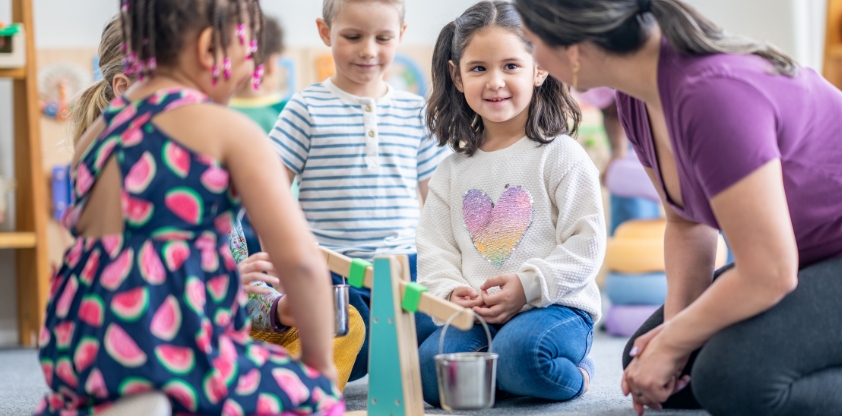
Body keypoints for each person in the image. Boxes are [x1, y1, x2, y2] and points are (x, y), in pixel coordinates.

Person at [514, 0, 842, 414]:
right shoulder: (637, 96)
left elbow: (769, 272)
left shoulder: (712, 93)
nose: (534, 59)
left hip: (797, 263)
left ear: (573, 49)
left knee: (730, 379)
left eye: (533, 42)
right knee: (646, 361)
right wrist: (674, 337)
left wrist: (673, 341)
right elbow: (688, 224)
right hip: (800, 260)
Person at [37, 1, 343, 414]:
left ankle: (134, 401)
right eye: (249, 49)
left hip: (82, 354)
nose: (251, 67)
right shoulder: (229, 131)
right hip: (170, 349)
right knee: (309, 396)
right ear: (208, 48)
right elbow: (301, 262)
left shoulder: (96, 137)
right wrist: (320, 369)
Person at [416, 1, 604, 406]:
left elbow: (586, 243)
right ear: (457, 76)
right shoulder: (450, 170)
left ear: (539, 69)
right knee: (430, 372)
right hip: (477, 316)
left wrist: (528, 286)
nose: (495, 82)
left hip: (556, 307)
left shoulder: (562, 155)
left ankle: (581, 373)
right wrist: (450, 292)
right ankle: (506, 376)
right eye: (478, 68)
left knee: (523, 355)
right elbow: (434, 247)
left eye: (511, 66)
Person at [269, 0, 449, 382]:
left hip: (405, 269)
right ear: (325, 32)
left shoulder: (417, 112)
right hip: (333, 272)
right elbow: (270, 191)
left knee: (438, 339)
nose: (368, 50)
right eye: (353, 37)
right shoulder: (305, 108)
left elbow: (438, 202)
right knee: (350, 337)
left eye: (382, 38)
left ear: (400, 35)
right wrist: (288, 261)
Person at [229, 15, 294, 254]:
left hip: (234, 223)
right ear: (272, 64)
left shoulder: (218, 112)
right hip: (279, 218)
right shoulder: (287, 110)